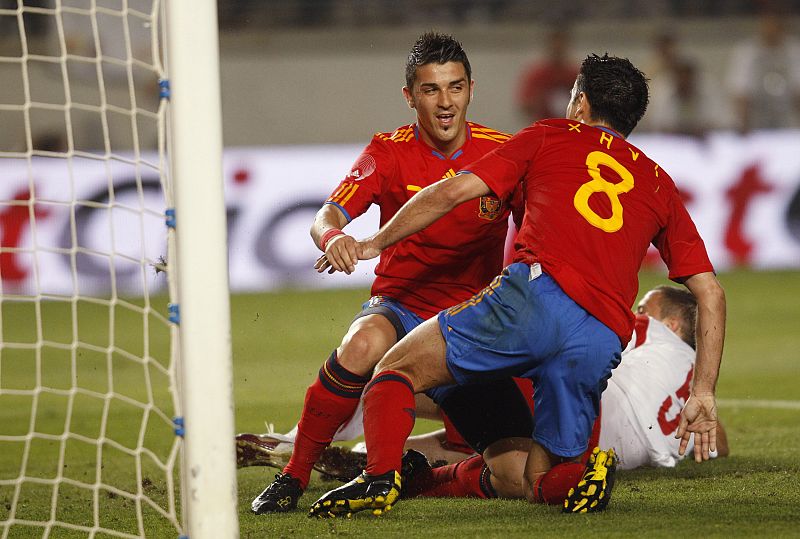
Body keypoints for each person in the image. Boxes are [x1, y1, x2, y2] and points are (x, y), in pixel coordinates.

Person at [309, 53, 726, 518]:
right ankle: (582, 477)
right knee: (538, 480)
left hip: (536, 298)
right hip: (603, 334)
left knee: (393, 370)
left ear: (581, 103)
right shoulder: (658, 181)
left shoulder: (550, 134)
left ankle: (378, 479)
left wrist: (374, 242)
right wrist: (703, 392)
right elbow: (710, 292)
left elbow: (452, 191)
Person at [249, 32, 520, 514]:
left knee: (513, 462)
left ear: (471, 89)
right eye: (431, 90)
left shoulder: (504, 152)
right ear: (410, 96)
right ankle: (295, 473)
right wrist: (334, 239)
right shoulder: (388, 151)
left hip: (472, 320)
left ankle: (408, 471)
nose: (445, 103)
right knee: (361, 343)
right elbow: (326, 215)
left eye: (455, 88)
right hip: (401, 306)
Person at [237, 286, 729, 499]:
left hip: (575, 408)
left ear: (668, 322)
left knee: (415, 376)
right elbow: (720, 443)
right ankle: (379, 458)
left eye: (648, 304)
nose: (638, 305)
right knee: (491, 451)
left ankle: (299, 445)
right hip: (594, 450)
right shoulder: (695, 386)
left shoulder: (647, 330)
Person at [726, 11, 800, 132]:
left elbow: (798, 91)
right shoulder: (746, 52)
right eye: (767, 26)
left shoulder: (795, 51)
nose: (771, 31)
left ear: (783, 29)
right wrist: (744, 126)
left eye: (775, 26)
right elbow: (740, 92)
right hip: (755, 117)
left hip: (788, 118)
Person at [515, 28, 578, 125]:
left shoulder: (575, 74)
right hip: (544, 129)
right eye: (555, 45)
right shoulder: (537, 75)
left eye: (561, 45)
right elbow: (525, 105)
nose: (558, 48)